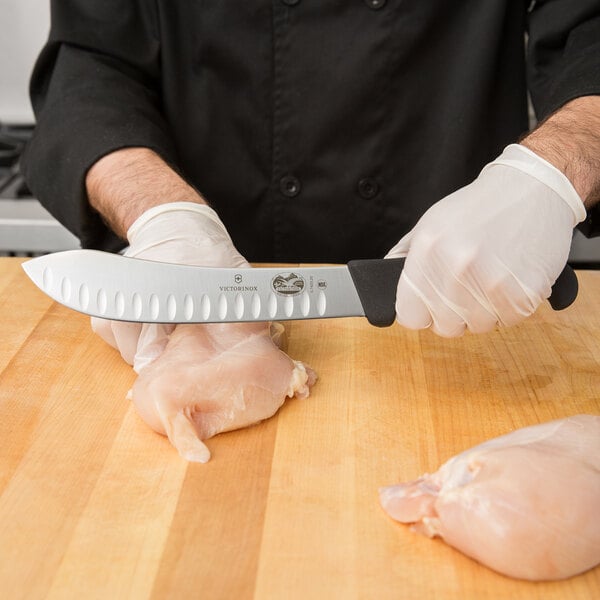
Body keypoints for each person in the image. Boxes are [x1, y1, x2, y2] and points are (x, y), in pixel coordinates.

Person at [21, 1, 600, 367]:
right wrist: (162, 215)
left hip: (462, 296)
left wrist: (548, 174)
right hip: (210, 276)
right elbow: (93, 65)